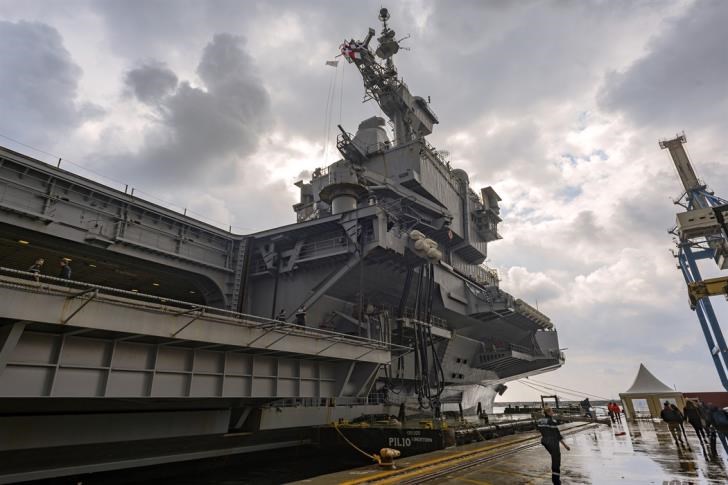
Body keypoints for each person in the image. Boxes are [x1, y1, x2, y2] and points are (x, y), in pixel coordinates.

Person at [537, 406, 570, 485]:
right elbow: (557, 435)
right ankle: (556, 481)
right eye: (552, 411)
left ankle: (555, 477)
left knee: (555, 457)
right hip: (552, 442)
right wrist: (565, 445)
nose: (553, 412)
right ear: (548, 412)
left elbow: (540, 430)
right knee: (556, 461)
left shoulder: (540, 421)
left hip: (544, 441)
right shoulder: (552, 421)